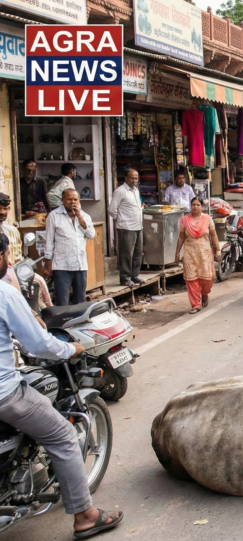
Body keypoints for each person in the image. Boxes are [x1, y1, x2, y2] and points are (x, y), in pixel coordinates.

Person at [0, 232, 124, 538]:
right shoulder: (5, 294)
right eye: (6, 256)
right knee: (63, 436)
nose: (8, 262)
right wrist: (71, 349)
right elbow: (39, 345)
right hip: (5, 394)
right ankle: (85, 516)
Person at [44, 189, 96, 306]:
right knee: (62, 302)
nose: (73, 202)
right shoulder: (53, 216)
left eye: (75, 199)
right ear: (62, 200)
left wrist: (79, 217)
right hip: (61, 265)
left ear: (79, 200)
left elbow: (91, 235)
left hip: (80, 265)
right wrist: (48, 264)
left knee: (80, 302)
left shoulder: (85, 216)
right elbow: (49, 241)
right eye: (69, 199)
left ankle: (78, 319)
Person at [0, 195, 52, 308]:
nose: (2, 212)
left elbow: (18, 256)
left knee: (40, 282)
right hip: (3, 274)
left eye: (5, 209)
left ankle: (48, 311)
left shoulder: (12, 230)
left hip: (14, 270)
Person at [174, 197, 220, 314]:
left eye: (198, 205)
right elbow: (181, 237)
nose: (195, 207)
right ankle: (195, 304)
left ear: (202, 207)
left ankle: (204, 294)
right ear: (191, 206)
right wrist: (177, 253)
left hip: (205, 253)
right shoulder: (185, 220)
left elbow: (213, 235)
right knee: (191, 279)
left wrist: (217, 250)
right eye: (193, 205)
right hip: (190, 254)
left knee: (207, 280)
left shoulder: (208, 219)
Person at [108, 169, 145, 287]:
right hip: (126, 227)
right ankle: (125, 278)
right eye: (132, 178)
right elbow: (111, 209)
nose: (134, 180)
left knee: (138, 253)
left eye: (136, 178)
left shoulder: (135, 190)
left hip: (138, 226)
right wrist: (121, 220)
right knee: (126, 254)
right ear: (126, 178)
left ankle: (135, 276)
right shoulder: (120, 191)